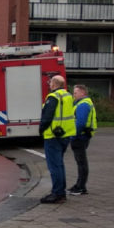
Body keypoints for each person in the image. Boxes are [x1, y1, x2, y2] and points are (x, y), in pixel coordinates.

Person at [38, 75, 76, 204]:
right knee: (59, 165)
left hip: (53, 136)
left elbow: (47, 117)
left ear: (54, 84)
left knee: (55, 166)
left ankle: (58, 193)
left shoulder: (53, 97)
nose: (49, 85)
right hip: (65, 134)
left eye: (50, 83)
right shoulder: (68, 96)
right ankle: (60, 192)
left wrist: (41, 129)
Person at [68, 84, 96, 196]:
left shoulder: (83, 104)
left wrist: (73, 136)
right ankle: (79, 185)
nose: (73, 95)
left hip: (80, 137)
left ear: (82, 93)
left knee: (81, 163)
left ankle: (81, 187)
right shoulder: (83, 103)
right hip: (82, 136)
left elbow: (80, 123)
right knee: (81, 162)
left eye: (75, 92)